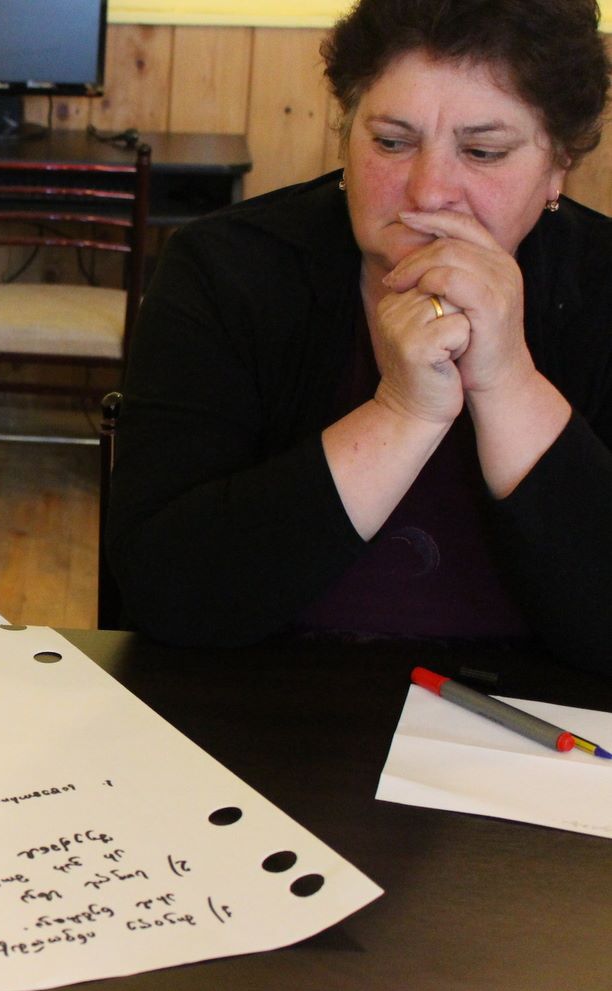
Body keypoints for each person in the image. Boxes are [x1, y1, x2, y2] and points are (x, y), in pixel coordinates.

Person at [106, 0, 612, 671]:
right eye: (392, 143)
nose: (428, 192)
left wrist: (507, 379)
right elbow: (166, 593)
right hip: (259, 703)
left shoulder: (602, 285)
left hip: (533, 724)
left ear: (558, 166)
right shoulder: (224, 270)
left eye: (483, 152)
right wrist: (403, 412)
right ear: (346, 134)